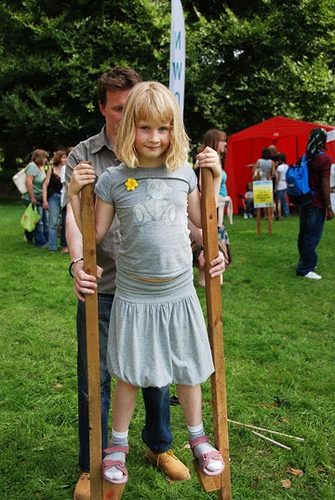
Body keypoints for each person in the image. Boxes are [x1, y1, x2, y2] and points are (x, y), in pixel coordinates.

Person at [63, 67, 225, 500]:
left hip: (176, 292)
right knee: (125, 373)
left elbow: (200, 225)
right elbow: (89, 232)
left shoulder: (183, 173)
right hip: (127, 292)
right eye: (142, 126)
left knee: (181, 367)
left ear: (175, 130)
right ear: (120, 119)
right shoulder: (105, 172)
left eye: (163, 128)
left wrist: (216, 186)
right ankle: (106, 452)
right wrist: (80, 196)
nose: (154, 137)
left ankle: (185, 439)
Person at [296, 128, 334, 279]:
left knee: (304, 234)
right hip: (316, 202)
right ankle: (305, 268)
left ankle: (304, 262)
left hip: (304, 201)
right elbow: (325, 184)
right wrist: (329, 207)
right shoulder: (324, 159)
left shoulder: (304, 157)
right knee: (312, 236)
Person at [197, 129, 231, 286]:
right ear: (215, 141)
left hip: (218, 203)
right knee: (211, 237)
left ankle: (212, 279)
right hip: (213, 205)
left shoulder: (215, 158)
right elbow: (202, 183)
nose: (225, 144)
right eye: (223, 140)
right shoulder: (208, 158)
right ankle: (209, 279)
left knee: (215, 237)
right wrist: (212, 200)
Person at [22, 149, 49, 248]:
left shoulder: (41, 168)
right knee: (39, 221)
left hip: (41, 198)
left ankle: (33, 236)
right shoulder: (32, 166)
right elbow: (29, 182)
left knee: (43, 220)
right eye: (45, 157)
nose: (46, 160)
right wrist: (32, 197)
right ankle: (40, 242)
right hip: (32, 198)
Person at [43, 149, 68, 252]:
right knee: (53, 222)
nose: (65, 159)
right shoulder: (51, 170)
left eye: (66, 157)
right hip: (54, 197)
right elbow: (45, 185)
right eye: (63, 157)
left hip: (64, 197)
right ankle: (52, 246)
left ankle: (64, 246)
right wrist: (45, 200)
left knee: (65, 222)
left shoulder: (67, 169)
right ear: (59, 158)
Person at [274, 153, 290, 218]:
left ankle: (280, 213)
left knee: (279, 201)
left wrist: (275, 186)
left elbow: (278, 177)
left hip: (280, 184)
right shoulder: (287, 166)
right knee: (284, 200)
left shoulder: (279, 167)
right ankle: (286, 213)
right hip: (285, 183)